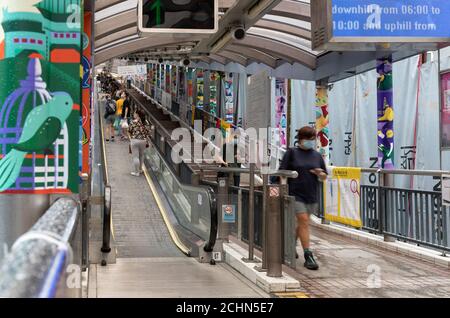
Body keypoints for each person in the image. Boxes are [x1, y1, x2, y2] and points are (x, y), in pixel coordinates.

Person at [276, 126, 327, 270]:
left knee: (301, 224)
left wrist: (319, 173)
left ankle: (289, 246)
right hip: (295, 194)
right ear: (300, 139)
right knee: (304, 221)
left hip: (311, 194)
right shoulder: (292, 153)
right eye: (308, 139)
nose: (311, 141)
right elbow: (281, 172)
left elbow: (324, 175)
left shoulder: (317, 155)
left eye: (313, 139)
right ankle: (308, 255)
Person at [128, 109, 150, 177]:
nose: (134, 114)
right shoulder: (146, 122)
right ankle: (140, 169)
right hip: (143, 141)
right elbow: (148, 131)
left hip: (135, 140)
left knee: (135, 157)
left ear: (137, 114)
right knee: (141, 155)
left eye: (134, 113)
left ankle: (136, 172)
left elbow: (129, 130)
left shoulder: (133, 122)